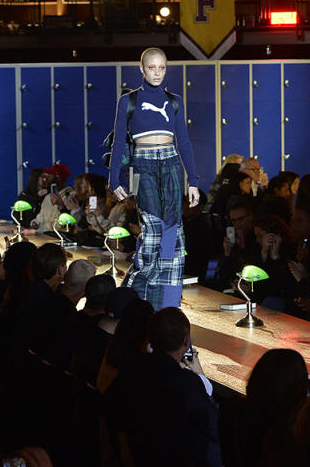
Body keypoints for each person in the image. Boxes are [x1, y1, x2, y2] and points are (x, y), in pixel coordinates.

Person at [109, 47, 200, 309]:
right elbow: (118, 142)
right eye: (152, 67)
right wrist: (114, 178)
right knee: (152, 233)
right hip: (143, 165)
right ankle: (129, 299)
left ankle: (166, 305)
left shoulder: (175, 101)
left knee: (172, 234)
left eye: (162, 67)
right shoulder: (128, 100)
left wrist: (193, 180)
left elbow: (183, 141)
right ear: (142, 69)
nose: (157, 72)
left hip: (171, 163)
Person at [105, 306, 219, 467]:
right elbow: (212, 430)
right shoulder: (187, 384)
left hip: (134, 456)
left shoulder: (130, 368)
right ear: (186, 341)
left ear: (150, 338)